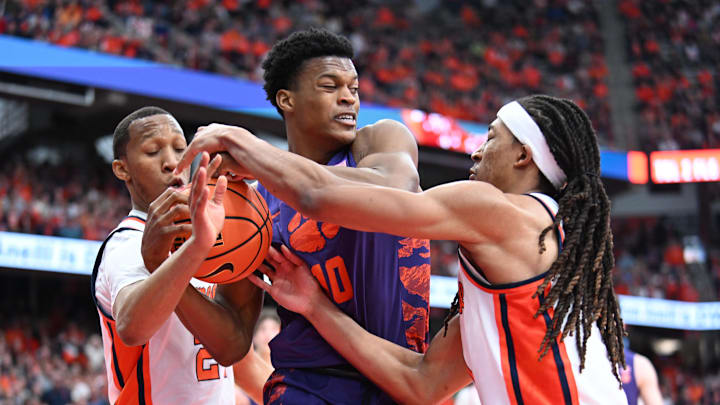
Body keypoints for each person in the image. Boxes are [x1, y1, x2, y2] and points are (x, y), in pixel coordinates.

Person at [178, 95, 629, 404]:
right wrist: (315, 306)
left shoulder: (499, 211)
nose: (476, 152)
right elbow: (421, 384)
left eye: (491, 137)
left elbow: (320, 197)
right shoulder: (537, 248)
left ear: (523, 156)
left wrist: (241, 142)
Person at [181, 28, 432, 404]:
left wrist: (253, 150)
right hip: (305, 386)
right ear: (287, 100)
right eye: (330, 86)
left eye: (354, 88)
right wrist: (170, 273)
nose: (349, 97)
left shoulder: (378, 142)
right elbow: (232, 344)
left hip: (397, 378)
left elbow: (394, 190)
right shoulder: (256, 203)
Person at [91, 106, 264, 404]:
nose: (172, 162)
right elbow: (132, 327)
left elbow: (239, 359)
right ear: (123, 169)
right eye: (152, 151)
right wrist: (194, 249)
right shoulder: (127, 243)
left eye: (180, 149)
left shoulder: (219, 232)